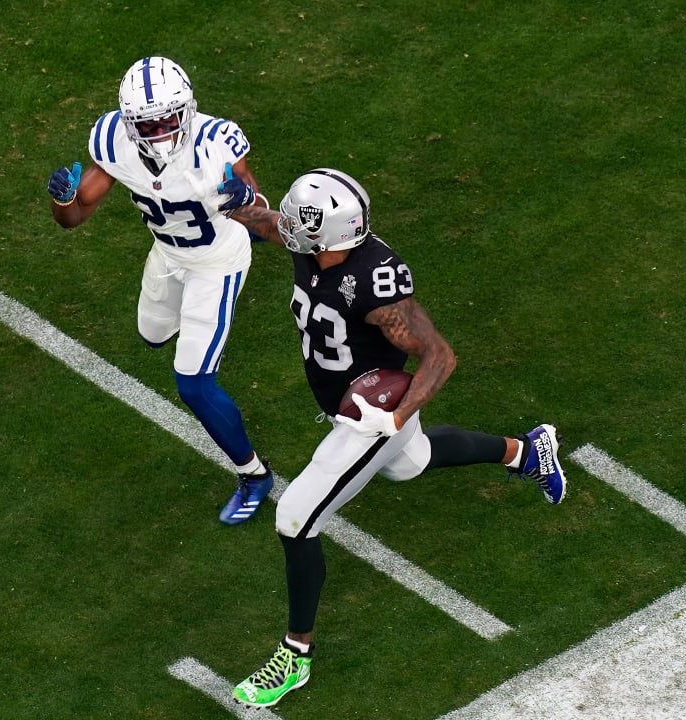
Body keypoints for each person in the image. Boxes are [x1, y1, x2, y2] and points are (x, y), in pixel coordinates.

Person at [215, 168, 568, 707]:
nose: (290, 227)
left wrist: (394, 419)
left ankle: (295, 656)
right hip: (350, 405)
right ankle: (526, 451)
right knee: (412, 462)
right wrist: (221, 202)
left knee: (295, 518)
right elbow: (268, 223)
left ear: (329, 231)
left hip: (372, 414)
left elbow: (440, 356)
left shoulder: (374, 283)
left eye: (302, 222)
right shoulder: (313, 247)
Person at [45, 56, 274, 525]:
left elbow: (258, 204)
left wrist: (247, 202)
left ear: (187, 107)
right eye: (146, 122)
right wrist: (61, 199)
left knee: (192, 382)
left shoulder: (215, 142)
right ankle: (189, 324)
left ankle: (253, 474)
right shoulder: (113, 141)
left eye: (167, 116)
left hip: (217, 263)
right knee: (150, 336)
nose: (158, 129)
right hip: (167, 254)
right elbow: (73, 219)